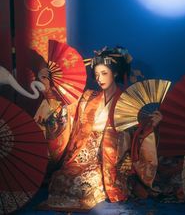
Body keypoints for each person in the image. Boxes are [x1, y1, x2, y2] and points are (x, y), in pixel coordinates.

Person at [34, 46, 163, 211]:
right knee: (61, 178)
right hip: (82, 155)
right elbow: (66, 112)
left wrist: (152, 125)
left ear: (115, 73)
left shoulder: (128, 102)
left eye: (104, 73)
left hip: (110, 161)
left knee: (81, 184)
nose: (99, 78)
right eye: (96, 74)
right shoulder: (88, 97)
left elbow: (137, 135)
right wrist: (48, 91)